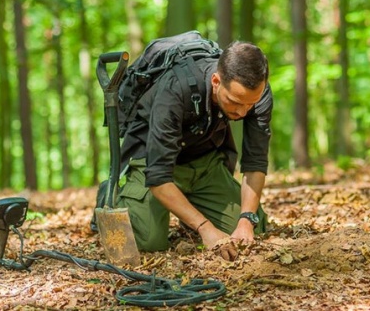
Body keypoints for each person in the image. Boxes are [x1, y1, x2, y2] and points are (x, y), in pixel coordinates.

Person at [115, 40, 272, 261]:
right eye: (235, 102)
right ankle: (112, 199)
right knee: (148, 241)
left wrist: (246, 220)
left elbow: (255, 162)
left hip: (203, 162)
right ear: (216, 81)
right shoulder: (175, 88)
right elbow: (158, 176)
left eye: (250, 104)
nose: (243, 111)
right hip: (152, 161)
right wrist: (204, 228)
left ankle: (191, 208)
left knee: (255, 226)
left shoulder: (257, 93)